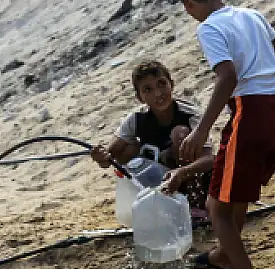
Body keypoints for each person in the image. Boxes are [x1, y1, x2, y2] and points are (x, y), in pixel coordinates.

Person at [173, 0, 275, 269]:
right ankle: (226, 256)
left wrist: (201, 130)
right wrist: (272, 94)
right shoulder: (252, 15)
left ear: (187, 4)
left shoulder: (209, 28)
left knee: (217, 209)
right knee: (234, 191)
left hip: (252, 112)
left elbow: (227, 76)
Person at [89, 59, 214, 219]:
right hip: (161, 180)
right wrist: (101, 157)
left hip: (195, 179)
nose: (157, 93)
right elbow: (111, 156)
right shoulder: (136, 119)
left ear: (171, 84)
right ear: (140, 97)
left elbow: (209, 159)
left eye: (161, 84)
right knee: (128, 148)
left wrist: (182, 173)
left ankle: (195, 205)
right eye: (148, 89)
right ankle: (160, 205)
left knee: (180, 133)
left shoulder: (190, 115)